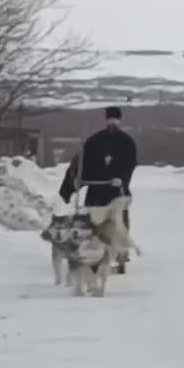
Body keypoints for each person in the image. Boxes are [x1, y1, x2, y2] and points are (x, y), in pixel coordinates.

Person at [58, 106, 138, 270]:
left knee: (119, 220)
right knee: (91, 223)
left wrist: (123, 179)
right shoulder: (94, 141)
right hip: (96, 191)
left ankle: (121, 252)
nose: (112, 122)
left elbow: (130, 164)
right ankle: (91, 252)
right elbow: (80, 163)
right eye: (110, 119)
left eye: (115, 119)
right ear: (106, 120)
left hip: (117, 191)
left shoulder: (127, 142)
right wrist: (76, 182)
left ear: (119, 121)